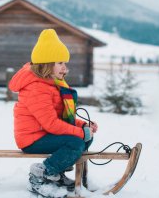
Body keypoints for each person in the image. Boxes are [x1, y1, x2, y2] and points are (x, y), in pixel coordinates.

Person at [9, 29, 98, 196]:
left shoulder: (52, 84)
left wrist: (83, 125)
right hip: (31, 139)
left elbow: (58, 118)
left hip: (44, 133)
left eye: (65, 63)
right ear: (46, 64)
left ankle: (56, 175)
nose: (65, 68)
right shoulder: (36, 88)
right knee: (76, 142)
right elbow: (51, 124)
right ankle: (40, 174)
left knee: (84, 138)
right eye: (60, 63)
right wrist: (79, 132)